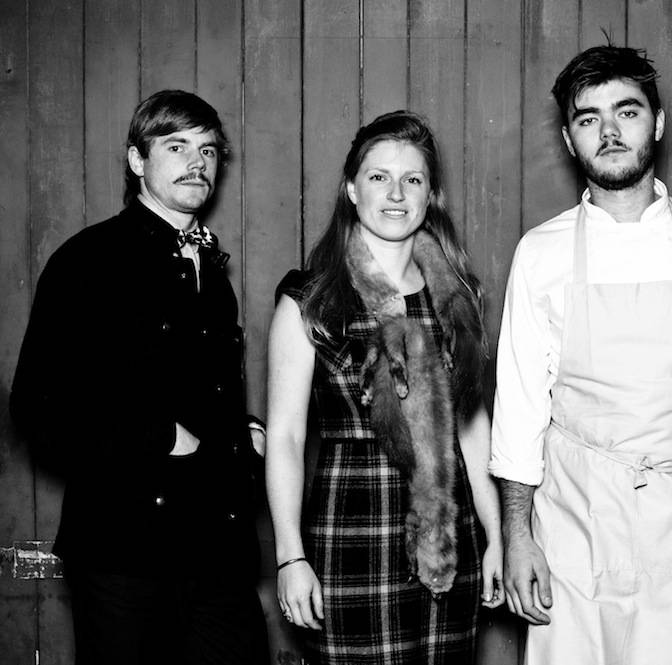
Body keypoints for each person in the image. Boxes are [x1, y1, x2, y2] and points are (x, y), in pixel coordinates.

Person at [490, 45, 672, 664]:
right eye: (588, 118)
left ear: (658, 123)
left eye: (626, 111)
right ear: (569, 140)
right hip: (575, 521)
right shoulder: (540, 252)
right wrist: (518, 536)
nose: (609, 131)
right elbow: (519, 412)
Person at [10, 90, 268, 665]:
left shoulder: (208, 268)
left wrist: (243, 434)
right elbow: (36, 405)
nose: (197, 162)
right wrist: (159, 437)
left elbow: (189, 387)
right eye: (176, 146)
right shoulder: (89, 259)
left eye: (208, 150)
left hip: (215, 548)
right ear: (136, 160)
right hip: (124, 553)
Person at [265, 110, 504, 664]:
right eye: (379, 177)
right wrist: (290, 556)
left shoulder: (457, 297)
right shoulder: (311, 300)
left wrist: (498, 537)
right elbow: (286, 437)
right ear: (352, 189)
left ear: (430, 195)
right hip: (352, 533)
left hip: (450, 539)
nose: (396, 194)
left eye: (412, 179)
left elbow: (472, 429)